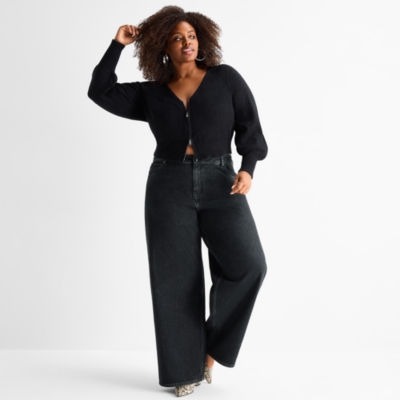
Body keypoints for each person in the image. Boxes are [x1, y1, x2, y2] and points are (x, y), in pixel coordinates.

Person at [87, 5, 268, 397]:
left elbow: (250, 127)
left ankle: (211, 351)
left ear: (201, 39)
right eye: (177, 38)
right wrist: (117, 45)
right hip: (167, 185)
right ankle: (183, 371)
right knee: (174, 280)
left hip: (222, 182)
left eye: (191, 36)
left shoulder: (225, 78)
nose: (187, 43)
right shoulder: (151, 93)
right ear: (162, 47)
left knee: (249, 266)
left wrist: (248, 168)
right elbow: (99, 91)